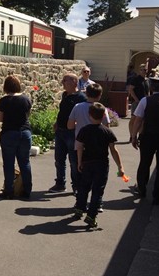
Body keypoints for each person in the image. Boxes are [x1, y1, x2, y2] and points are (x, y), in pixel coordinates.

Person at [73, 103, 125, 228]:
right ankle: (91, 215)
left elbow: (79, 147)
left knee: (84, 186)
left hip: (87, 162)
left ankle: (80, 208)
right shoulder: (107, 132)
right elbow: (113, 150)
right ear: (103, 116)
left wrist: (79, 162)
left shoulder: (84, 130)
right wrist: (120, 166)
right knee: (98, 190)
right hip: (101, 164)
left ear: (89, 115)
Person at [68, 83, 110, 212]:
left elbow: (70, 125)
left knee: (80, 174)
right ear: (100, 95)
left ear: (86, 93)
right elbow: (107, 127)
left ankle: (80, 202)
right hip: (98, 147)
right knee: (98, 178)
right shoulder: (102, 109)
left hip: (80, 145)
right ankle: (97, 203)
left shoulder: (77, 107)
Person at [0, 75, 33, 199]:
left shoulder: (4, 101)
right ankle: (27, 190)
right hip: (25, 132)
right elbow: (28, 115)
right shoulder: (26, 99)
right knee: (25, 162)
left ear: (6, 87)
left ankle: (9, 190)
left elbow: (0, 118)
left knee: (8, 163)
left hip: (9, 133)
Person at [49, 73, 86, 193]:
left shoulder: (81, 98)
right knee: (59, 159)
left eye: (65, 80)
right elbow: (63, 112)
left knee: (74, 161)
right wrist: (56, 122)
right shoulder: (65, 95)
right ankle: (60, 183)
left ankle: (76, 185)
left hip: (72, 133)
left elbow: (84, 113)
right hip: (60, 131)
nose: (62, 82)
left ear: (74, 82)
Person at [131, 77, 159, 204]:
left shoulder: (145, 101)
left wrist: (134, 136)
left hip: (147, 136)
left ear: (151, 88)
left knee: (144, 162)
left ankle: (141, 188)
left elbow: (138, 120)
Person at [127, 63, 149, 142]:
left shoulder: (146, 80)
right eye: (143, 70)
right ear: (139, 70)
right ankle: (131, 135)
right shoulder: (135, 79)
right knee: (133, 119)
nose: (144, 71)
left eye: (145, 70)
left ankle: (140, 136)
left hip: (145, 102)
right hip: (137, 102)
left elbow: (148, 92)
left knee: (142, 120)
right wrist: (136, 99)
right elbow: (131, 89)